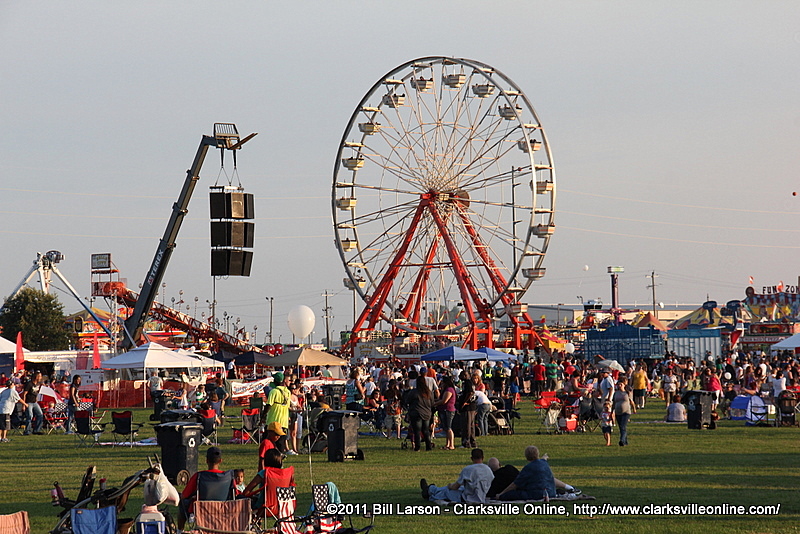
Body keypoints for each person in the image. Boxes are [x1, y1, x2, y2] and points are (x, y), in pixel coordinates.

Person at [497, 446, 576, 500]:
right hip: (551, 493)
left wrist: (501, 494)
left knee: (510, 495)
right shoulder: (543, 463)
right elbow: (543, 459)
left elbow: (515, 484)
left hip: (536, 494)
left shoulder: (528, 468)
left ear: (526, 456)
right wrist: (545, 457)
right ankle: (569, 489)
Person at [178, 446, 229, 530]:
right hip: (222, 510)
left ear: (207, 461)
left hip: (202, 511)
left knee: (182, 503)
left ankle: (179, 531)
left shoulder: (199, 476)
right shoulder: (228, 477)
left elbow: (184, 495)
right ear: (220, 461)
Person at [420, 448, 494, 503]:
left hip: (467, 498)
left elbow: (455, 487)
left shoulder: (468, 470)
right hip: (481, 496)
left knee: (446, 491)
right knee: (459, 488)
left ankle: (430, 489)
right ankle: (431, 489)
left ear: (471, 458)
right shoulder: (488, 470)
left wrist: (450, 486)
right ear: (483, 457)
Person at [264, 372, 291, 452]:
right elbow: (288, 406)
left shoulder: (274, 391)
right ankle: (280, 456)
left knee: (267, 441)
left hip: (273, 420)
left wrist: (263, 416)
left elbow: (268, 405)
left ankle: (269, 456)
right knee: (281, 442)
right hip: (284, 421)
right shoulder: (288, 392)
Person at [406, 375, 434, 451]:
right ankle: (428, 446)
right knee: (426, 430)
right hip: (427, 413)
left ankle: (417, 447)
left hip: (416, 412)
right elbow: (432, 403)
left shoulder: (414, 392)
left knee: (417, 431)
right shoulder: (429, 392)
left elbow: (407, 401)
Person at [435, 375, 457, 450]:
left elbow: (444, 400)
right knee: (446, 428)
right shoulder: (445, 390)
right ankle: (447, 444)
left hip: (448, 410)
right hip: (444, 410)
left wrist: (434, 404)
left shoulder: (449, 390)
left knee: (448, 428)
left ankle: (451, 444)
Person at [456, 378, 477, 449]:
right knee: (471, 425)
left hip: (468, 408)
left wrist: (464, 402)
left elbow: (470, 393)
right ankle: (472, 441)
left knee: (466, 425)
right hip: (471, 407)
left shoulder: (468, 383)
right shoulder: (471, 384)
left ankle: (466, 442)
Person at [613, 377, 632, 446]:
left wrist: (634, 408)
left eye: (621, 384)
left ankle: (621, 440)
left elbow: (631, 401)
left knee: (623, 426)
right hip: (618, 412)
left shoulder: (627, 392)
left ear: (624, 385)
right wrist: (612, 411)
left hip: (626, 412)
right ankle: (625, 441)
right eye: (618, 384)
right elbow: (614, 402)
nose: (619, 386)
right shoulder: (616, 393)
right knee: (621, 427)